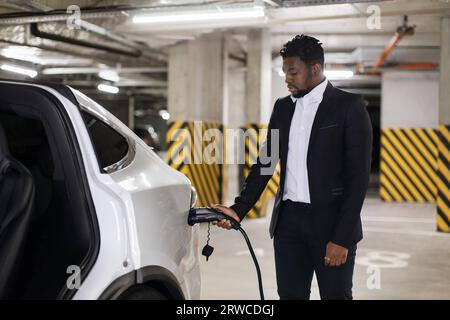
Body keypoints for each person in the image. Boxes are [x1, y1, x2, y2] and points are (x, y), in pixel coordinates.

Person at [213, 34, 373, 300]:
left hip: (331, 224)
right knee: (289, 296)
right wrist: (238, 209)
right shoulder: (283, 108)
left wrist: (342, 238)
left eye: (293, 72)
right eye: (284, 72)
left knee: (336, 296)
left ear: (315, 69)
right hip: (288, 224)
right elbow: (266, 162)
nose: (287, 78)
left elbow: (358, 179)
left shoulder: (349, 107)